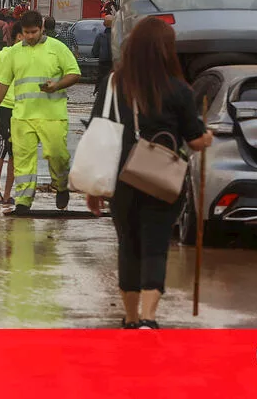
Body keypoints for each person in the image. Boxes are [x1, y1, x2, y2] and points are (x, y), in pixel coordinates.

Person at [87, 18, 212, 329]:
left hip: (120, 178)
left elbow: (97, 131)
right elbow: (195, 140)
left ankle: (129, 318)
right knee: (155, 245)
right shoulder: (179, 90)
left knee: (128, 245)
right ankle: (148, 318)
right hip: (162, 179)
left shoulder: (113, 84)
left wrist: (94, 187)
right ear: (166, 51)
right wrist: (207, 137)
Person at [0, 10, 82, 216]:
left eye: (34, 32)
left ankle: (61, 185)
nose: (30, 36)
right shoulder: (14, 53)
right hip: (22, 116)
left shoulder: (57, 48)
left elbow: (74, 73)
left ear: (41, 29)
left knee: (57, 155)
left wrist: (57, 85)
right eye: (26, 32)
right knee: (22, 161)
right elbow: (3, 83)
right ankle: (23, 201)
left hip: (52, 115)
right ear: (21, 31)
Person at [0, 20, 24, 205]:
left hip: (22, 109)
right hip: (4, 108)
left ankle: (8, 193)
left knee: (15, 151)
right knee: (2, 146)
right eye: (23, 35)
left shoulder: (30, 56)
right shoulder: (3, 55)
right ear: (17, 37)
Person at [92, 13, 115, 88]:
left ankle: (99, 90)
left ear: (104, 24)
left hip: (103, 64)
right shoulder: (118, 36)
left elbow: (95, 52)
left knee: (101, 80)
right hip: (115, 63)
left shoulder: (100, 36)